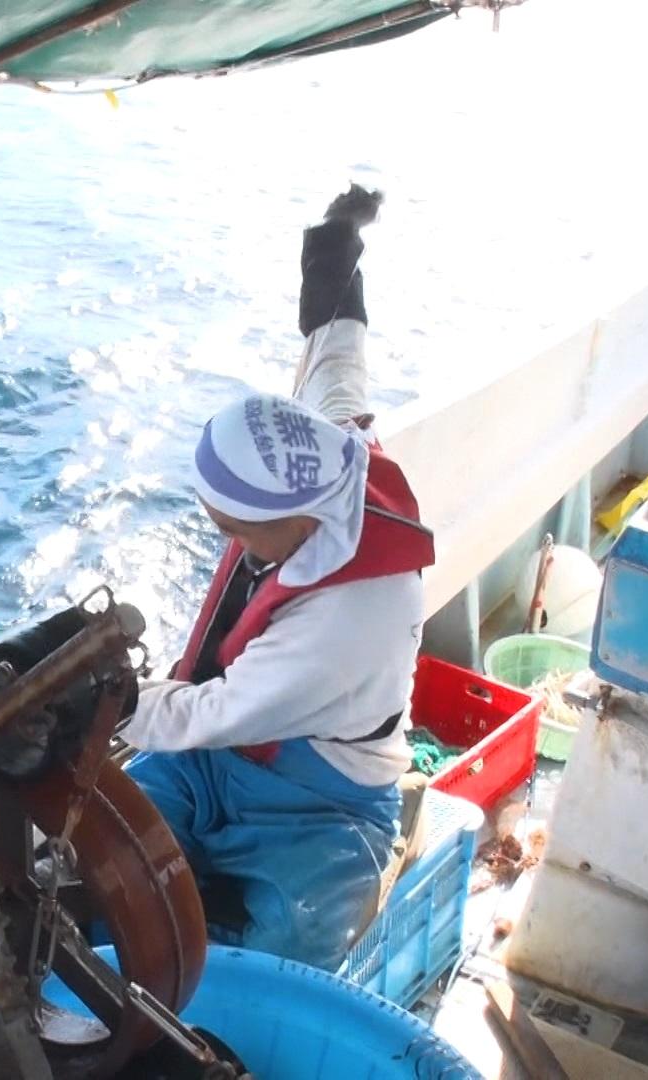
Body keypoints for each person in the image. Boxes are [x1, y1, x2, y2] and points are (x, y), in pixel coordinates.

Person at [122, 185, 435, 970]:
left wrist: (107, 706)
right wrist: (337, 242)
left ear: (290, 516)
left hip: (325, 797)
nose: (225, 541)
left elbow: (219, 711)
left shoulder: (344, 622)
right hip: (225, 758)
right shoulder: (329, 455)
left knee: (264, 942)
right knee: (109, 837)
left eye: (232, 528)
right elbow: (337, 351)